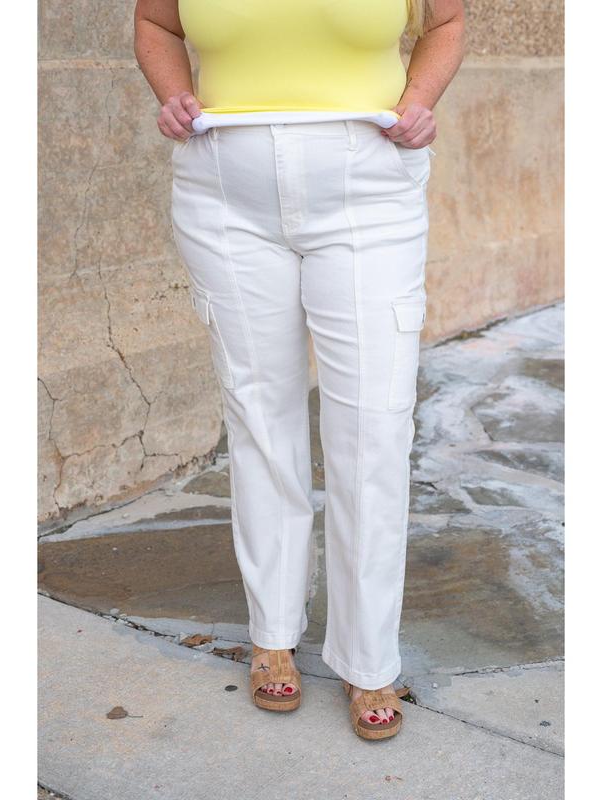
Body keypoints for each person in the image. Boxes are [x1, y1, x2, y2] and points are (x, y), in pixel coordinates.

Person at [134, 0, 465, 740]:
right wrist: (174, 94)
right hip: (225, 190)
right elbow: (155, 24)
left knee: (373, 426)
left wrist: (418, 101)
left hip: (368, 185)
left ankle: (368, 656)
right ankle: (273, 632)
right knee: (259, 412)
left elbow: (446, 23)